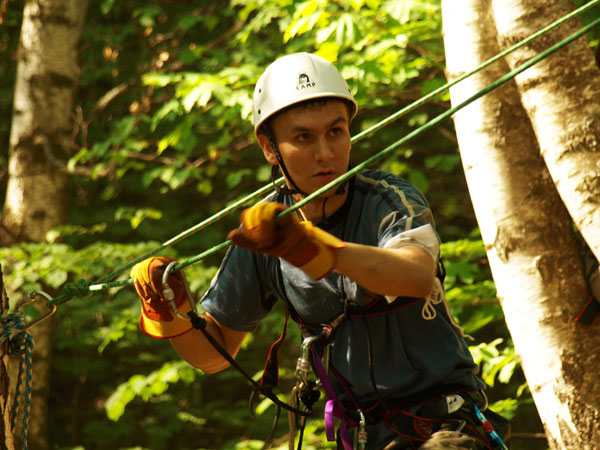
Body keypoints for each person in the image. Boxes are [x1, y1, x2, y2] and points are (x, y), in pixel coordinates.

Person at [130, 53, 509, 450]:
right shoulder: (267, 234)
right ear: (269, 148)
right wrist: (169, 313)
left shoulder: (387, 200)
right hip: (363, 437)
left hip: (444, 428)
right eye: (303, 137)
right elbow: (216, 355)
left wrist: (314, 249)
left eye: (336, 131)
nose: (325, 152)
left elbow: (414, 274)